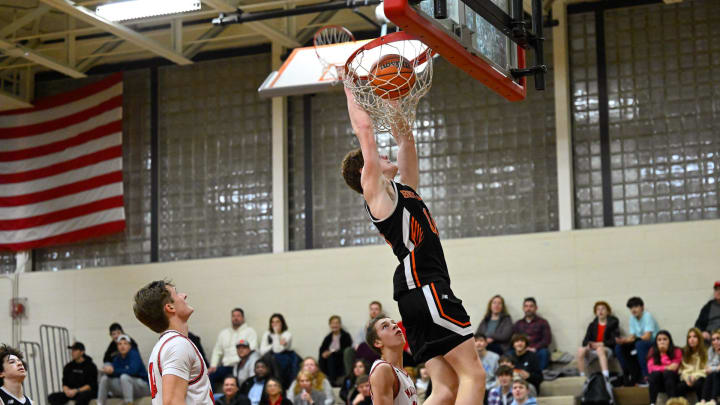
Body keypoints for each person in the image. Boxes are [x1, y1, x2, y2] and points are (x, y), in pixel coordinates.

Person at [341, 86, 485, 405]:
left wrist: (396, 97)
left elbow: (406, 138)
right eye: (376, 157)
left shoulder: (403, 191)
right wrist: (350, 84)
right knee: (474, 375)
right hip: (425, 286)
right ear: (367, 171)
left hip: (417, 292)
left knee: (446, 389)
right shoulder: (378, 197)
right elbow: (364, 129)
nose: (383, 155)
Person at [133, 280, 213, 405]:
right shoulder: (178, 345)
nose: (184, 295)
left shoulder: (164, 346)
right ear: (170, 307)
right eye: (177, 294)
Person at [366, 315, 418, 405]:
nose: (395, 325)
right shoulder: (382, 369)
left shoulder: (403, 372)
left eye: (393, 323)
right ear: (377, 342)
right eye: (385, 326)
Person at [615, 296, 659, 385]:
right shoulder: (632, 318)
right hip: (639, 342)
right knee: (619, 347)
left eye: (636, 307)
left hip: (653, 342)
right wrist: (624, 340)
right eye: (631, 308)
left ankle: (646, 376)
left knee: (639, 344)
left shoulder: (647, 316)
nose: (633, 310)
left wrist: (631, 340)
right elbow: (632, 336)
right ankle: (628, 374)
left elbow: (647, 336)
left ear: (642, 307)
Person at [211, 308, 259, 387]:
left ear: (243, 318)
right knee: (209, 376)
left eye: (238, 316)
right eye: (233, 316)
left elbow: (253, 349)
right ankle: (210, 399)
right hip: (226, 366)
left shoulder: (250, 331)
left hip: (241, 366)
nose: (235, 318)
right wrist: (213, 365)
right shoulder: (224, 333)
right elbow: (217, 350)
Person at [98, 335, 150, 405]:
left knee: (124, 377)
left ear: (130, 346)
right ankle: (100, 403)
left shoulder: (134, 354)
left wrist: (114, 371)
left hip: (143, 387)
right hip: (128, 388)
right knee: (105, 379)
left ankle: (129, 403)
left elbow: (133, 371)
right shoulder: (117, 358)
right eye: (120, 344)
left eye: (125, 343)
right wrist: (108, 371)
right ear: (117, 346)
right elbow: (114, 372)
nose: (122, 346)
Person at [577, 301, 620, 379]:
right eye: (598, 309)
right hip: (593, 349)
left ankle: (606, 377)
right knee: (580, 350)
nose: (600, 311)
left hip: (607, 349)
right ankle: (582, 377)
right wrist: (589, 345)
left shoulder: (613, 323)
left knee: (600, 349)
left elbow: (614, 340)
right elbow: (585, 341)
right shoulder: (592, 325)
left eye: (603, 309)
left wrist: (602, 344)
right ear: (595, 313)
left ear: (608, 312)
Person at [261, 314, 299, 389]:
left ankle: (281, 385)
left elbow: (278, 350)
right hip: (271, 357)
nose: (275, 324)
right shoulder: (267, 334)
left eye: (277, 322)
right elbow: (262, 351)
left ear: (282, 323)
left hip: (285, 357)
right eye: (273, 322)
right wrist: (275, 344)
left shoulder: (287, 334)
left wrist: (276, 334)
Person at [512, 298, 552, 370]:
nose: (528, 308)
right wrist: (522, 347)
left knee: (544, 352)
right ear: (523, 308)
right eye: (526, 306)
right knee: (509, 352)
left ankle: (540, 374)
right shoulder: (518, 323)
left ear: (536, 308)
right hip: (521, 349)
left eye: (531, 306)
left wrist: (534, 348)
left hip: (537, 349)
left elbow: (547, 340)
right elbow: (514, 339)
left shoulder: (543, 322)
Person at [345, 302, 383, 372]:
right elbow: (356, 344)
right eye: (372, 309)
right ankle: (350, 377)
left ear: (380, 311)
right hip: (364, 351)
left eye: (376, 309)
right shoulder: (364, 327)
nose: (374, 311)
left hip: (377, 349)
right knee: (349, 350)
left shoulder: (384, 324)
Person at [647, 330, 682, 405]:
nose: (662, 342)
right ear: (656, 342)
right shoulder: (652, 351)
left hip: (672, 380)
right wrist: (666, 366)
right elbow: (651, 369)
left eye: (665, 339)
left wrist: (664, 354)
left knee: (668, 373)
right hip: (658, 381)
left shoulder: (677, 350)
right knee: (655, 374)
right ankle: (652, 403)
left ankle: (672, 402)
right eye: (659, 340)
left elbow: (674, 367)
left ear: (669, 340)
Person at [318, 315, 352, 386]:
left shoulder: (346, 336)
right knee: (323, 357)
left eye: (337, 323)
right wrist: (324, 353)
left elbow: (347, 349)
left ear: (340, 325)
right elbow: (322, 349)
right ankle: (323, 379)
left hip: (340, 358)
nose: (335, 325)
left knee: (331, 357)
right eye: (333, 323)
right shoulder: (328, 337)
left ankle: (332, 381)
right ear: (330, 325)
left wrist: (332, 352)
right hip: (328, 360)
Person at [679, 328, 707, 401]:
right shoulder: (684, 352)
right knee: (680, 386)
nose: (691, 339)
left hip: (700, 377)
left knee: (700, 383)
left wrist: (694, 377)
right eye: (689, 337)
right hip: (687, 378)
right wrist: (687, 378)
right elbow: (682, 370)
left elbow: (705, 369)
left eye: (694, 336)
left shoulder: (705, 352)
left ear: (699, 339)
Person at [703, 329, 720, 403]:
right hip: (713, 374)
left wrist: (712, 368)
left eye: (718, 339)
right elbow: (707, 365)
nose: (716, 341)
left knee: (715, 374)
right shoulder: (710, 350)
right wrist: (714, 368)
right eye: (713, 340)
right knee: (710, 375)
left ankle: (713, 400)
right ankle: (703, 401)